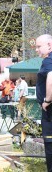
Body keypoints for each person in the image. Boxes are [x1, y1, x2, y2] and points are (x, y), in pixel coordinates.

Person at [35, 34, 52, 172]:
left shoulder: (49, 61)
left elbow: (51, 77)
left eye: (39, 46)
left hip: (49, 111)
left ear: (50, 45)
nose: (36, 49)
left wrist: (47, 100)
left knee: (49, 142)